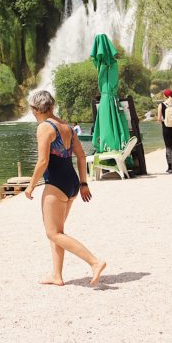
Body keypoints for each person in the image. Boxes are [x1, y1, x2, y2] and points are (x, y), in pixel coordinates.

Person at [24, 90, 106, 287]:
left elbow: (43, 161)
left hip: (56, 183)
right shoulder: (67, 127)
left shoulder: (44, 128)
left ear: (36, 110)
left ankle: (95, 262)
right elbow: (81, 156)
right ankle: (57, 276)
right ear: (52, 106)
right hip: (72, 183)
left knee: (53, 233)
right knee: (57, 231)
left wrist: (30, 186)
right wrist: (84, 183)